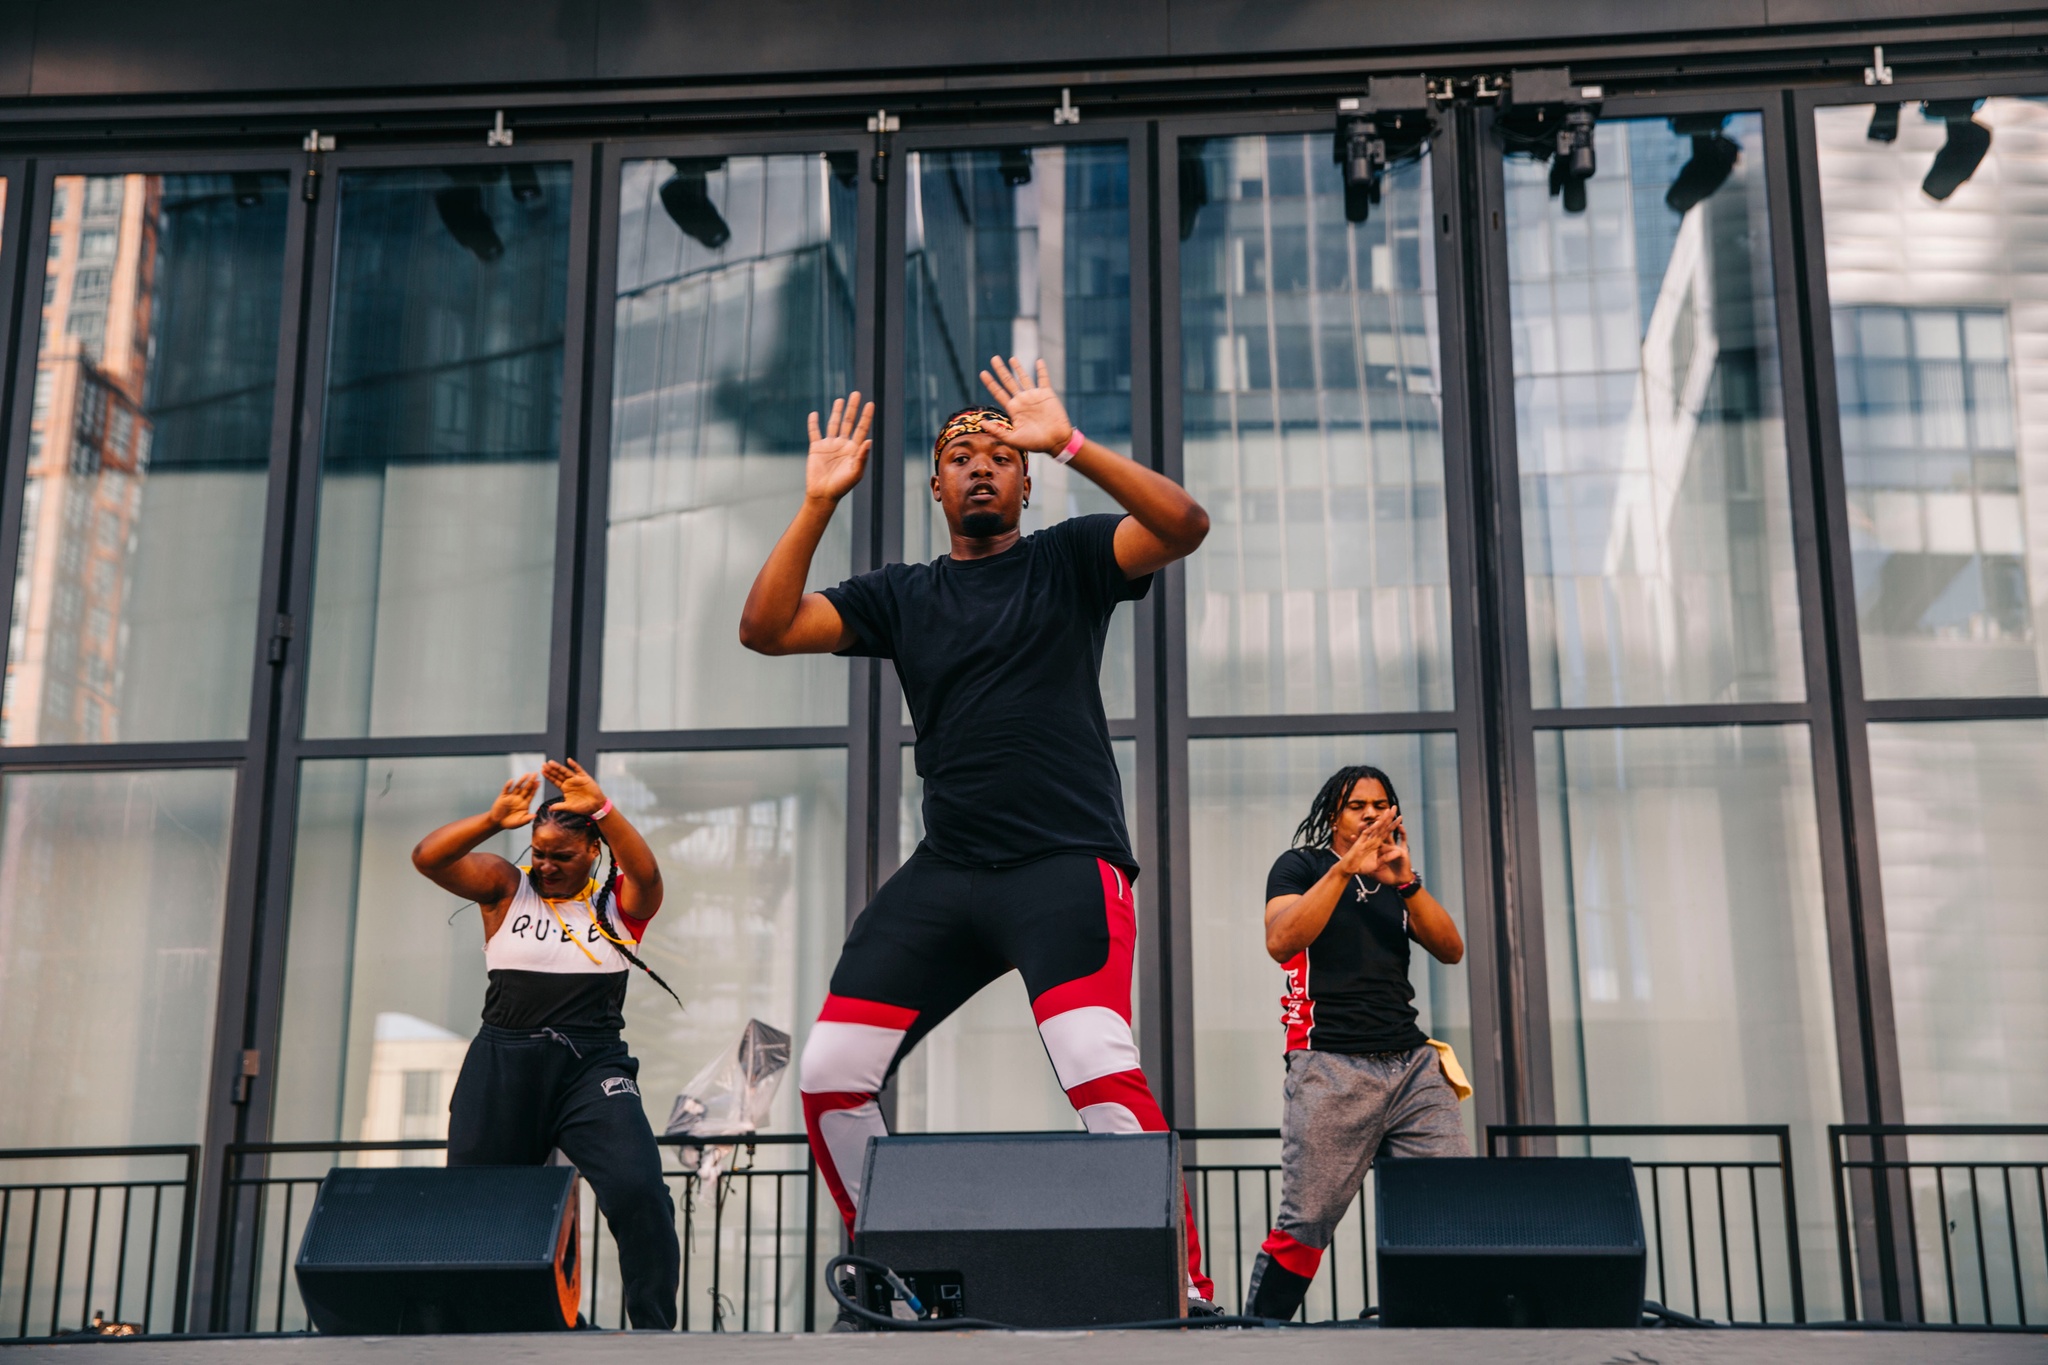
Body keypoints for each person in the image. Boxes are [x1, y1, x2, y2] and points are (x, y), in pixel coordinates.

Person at [738, 359, 1217, 1311]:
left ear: (1028, 479)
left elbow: (1183, 525)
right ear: (937, 486)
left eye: (1003, 453)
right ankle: (895, 1276)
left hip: (1062, 868)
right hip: (950, 873)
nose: (983, 466)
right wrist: (818, 502)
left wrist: (1074, 442)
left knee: (1095, 1064)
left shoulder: (1070, 559)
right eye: (962, 455)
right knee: (832, 1072)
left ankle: (1182, 1285)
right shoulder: (904, 595)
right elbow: (766, 626)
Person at [410, 758, 681, 1330]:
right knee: (480, 1209)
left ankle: (655, 1332)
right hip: (503, 1061)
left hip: (592, 1066)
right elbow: (428, 858)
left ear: (593, 853)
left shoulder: (619, 906)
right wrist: (492, 820)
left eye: (562, 856)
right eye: (538, 852)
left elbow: (649, 874)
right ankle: (508, 1329)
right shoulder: (505, 890)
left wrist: (604, 810)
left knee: (640, 1192)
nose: (546, 865)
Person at [1242, 764, 1469, 1321]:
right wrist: (1345, 870)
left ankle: (1449, 1332)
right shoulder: (1302, 866)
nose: (1371, 813)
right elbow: (1281, 940)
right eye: (1356, 805)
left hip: (1412, 1066)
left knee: (1453, 1206)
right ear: (1333, 815)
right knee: (1307, 1222)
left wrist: (1407, 881)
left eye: (1380, 804)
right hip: (1331, 1067)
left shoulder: (1399, 881)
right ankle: (1254, 1338)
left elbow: (1451, 949)